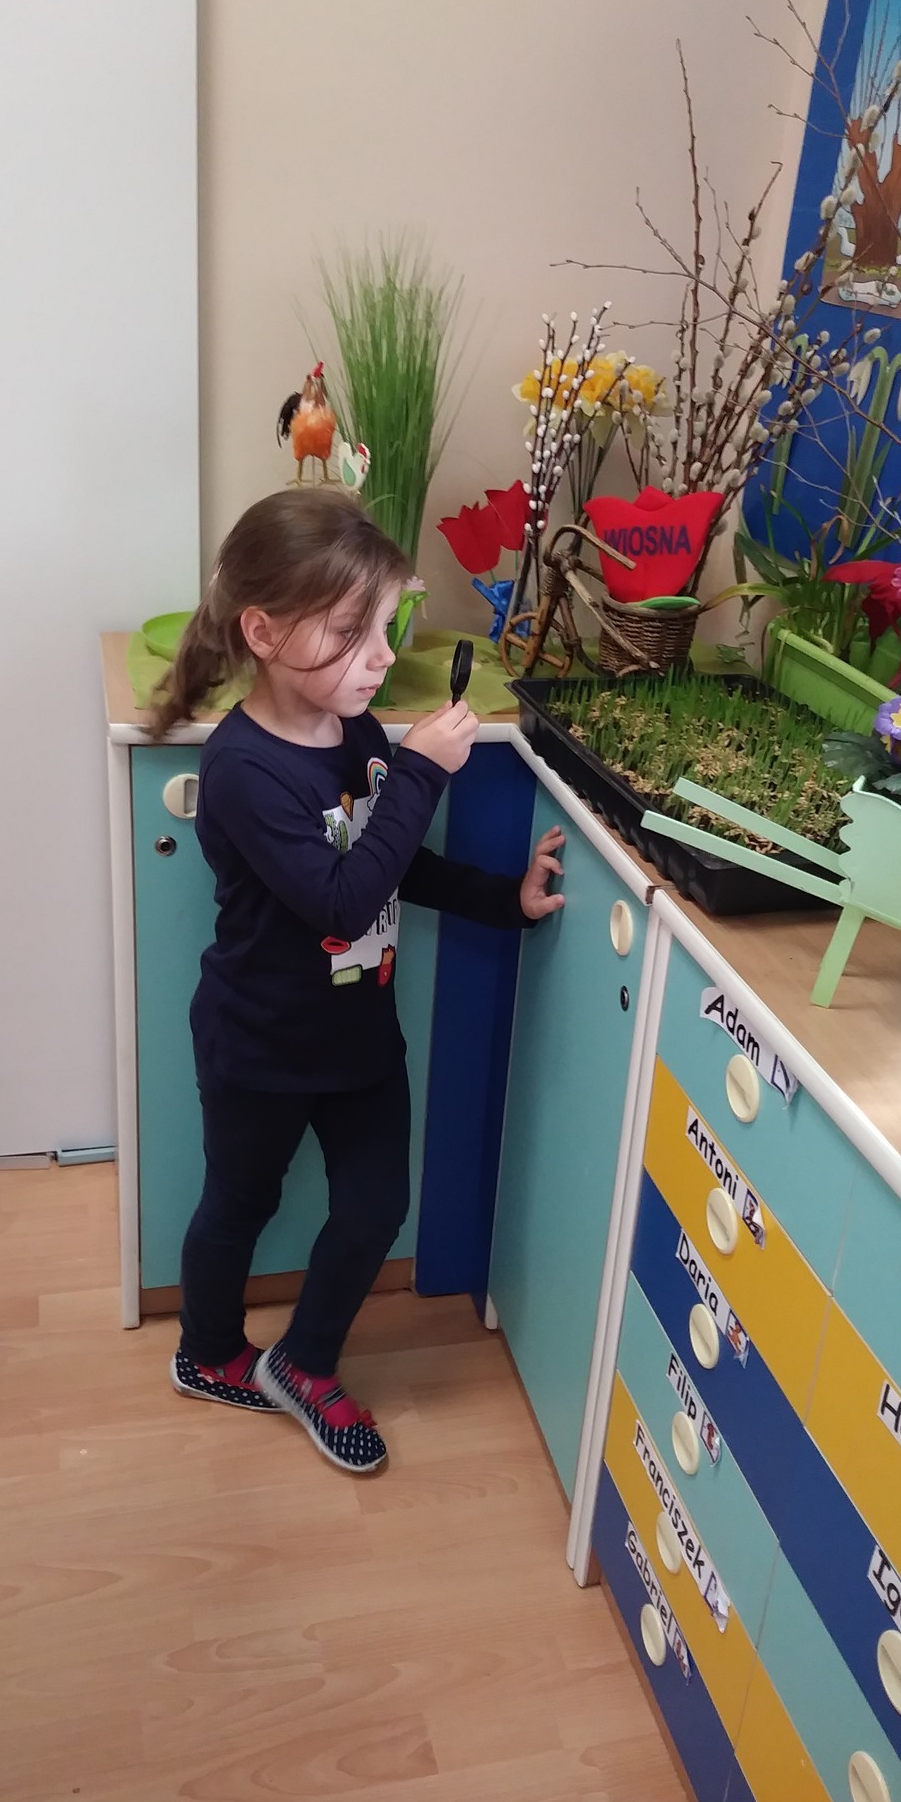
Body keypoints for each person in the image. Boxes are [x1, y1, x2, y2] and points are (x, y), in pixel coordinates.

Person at [148, 489, 566, 1473]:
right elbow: (340, 899)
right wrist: (422, 775)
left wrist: (504, 900)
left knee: (376, 1207)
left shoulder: (362, 734)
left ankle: (306, 1361)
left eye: (386, 629)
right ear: (263, 632)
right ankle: (206, 1352)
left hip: (360, 1042)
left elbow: (392, 864)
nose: (379, 658)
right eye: (351, 634)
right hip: (259, 1047)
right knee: (237, 1206)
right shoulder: (245, 770)